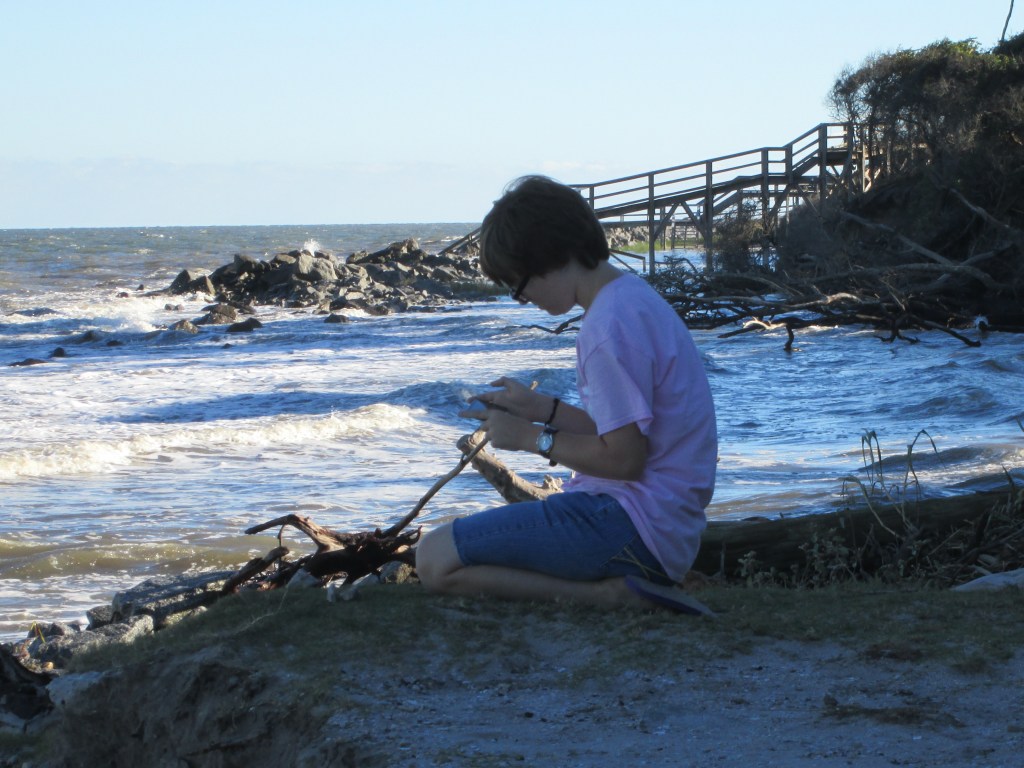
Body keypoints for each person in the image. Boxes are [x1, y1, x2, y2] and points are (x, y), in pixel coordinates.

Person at [415, 175, 718, 612]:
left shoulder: (605, 331)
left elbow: (625, 460)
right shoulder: (631, 299)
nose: (522, 300)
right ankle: (623, 585)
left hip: (630, 527)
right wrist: (539, 409)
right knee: (448, 550)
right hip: (664, 528)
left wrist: (529, 438)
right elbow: (622, 433)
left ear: (551, 256)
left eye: (519, 285)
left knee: (434, 558)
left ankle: (609, 596)